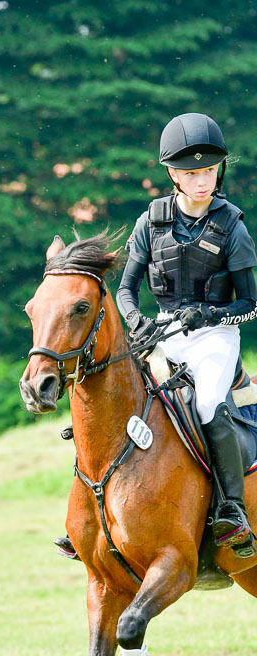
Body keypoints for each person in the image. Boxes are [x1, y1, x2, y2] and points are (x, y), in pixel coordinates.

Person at [116, 112, 257, 558]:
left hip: (214, 337)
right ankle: (94, 509)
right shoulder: (149, 222)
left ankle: (232, 509)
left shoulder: (233, 228)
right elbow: (124, 290)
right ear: (173, 174)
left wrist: (210, 314)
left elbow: (250, 304)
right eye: (192, 172)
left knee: (209, 405)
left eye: (210, 170)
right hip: (160, 332)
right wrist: (137, 321)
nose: (203, 180)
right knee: (108, 395)